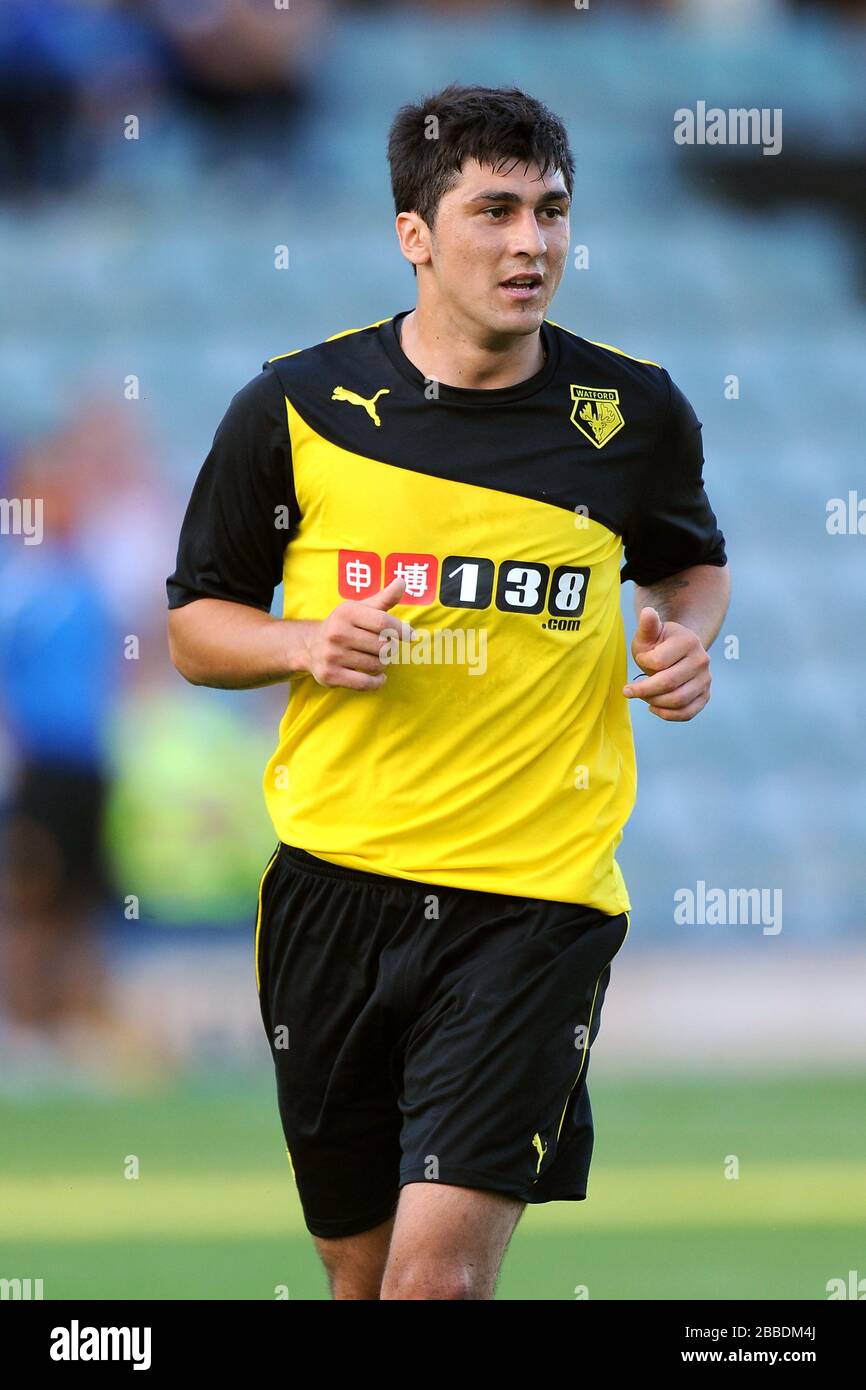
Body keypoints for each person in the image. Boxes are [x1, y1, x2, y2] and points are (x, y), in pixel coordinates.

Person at [166, 82, 730, 1300]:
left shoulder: (629, 411)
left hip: (531, 901)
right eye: (493, 212)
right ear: (414, 235)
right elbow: (196, 630)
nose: (531, 243)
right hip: (332, 889)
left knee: (435, 1286)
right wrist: (302, 642)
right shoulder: (292, 408)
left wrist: (685, 640)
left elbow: (691, 565)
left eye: (551, 211)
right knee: (356, 1274)